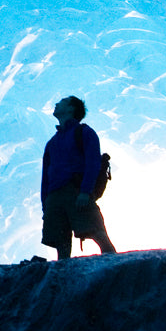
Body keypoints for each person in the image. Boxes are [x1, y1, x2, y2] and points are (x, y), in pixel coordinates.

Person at [41, 96, 116, 259]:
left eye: (62, 102)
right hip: (54, 197)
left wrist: (85, 191)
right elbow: (45, 178)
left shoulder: (84, 132)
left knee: (97, 232)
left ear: (71, 109)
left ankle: (115, 268)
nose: (56, 104)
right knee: (61, 243)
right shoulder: (51, 143)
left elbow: (93, 163)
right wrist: (45, 204)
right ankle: (62, 278)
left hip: (76, 191)